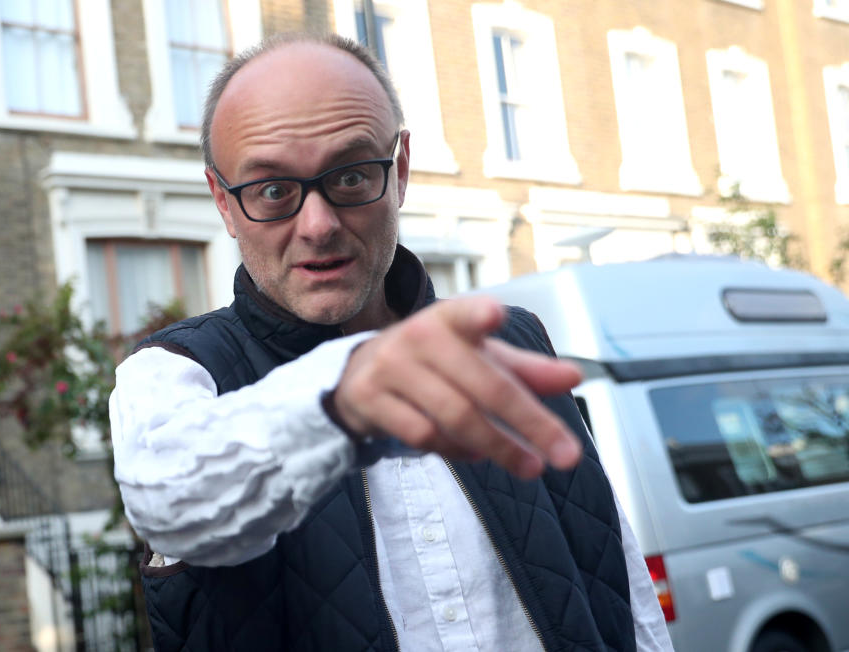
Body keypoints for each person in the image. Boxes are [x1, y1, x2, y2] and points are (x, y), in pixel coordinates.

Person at [110, 32, 673, 652]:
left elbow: (617, 579)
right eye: (272, 191)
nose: (319, 225)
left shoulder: (515, 341)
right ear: (224, 201)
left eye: (350, 176)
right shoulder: (178, 374)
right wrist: (341, 398)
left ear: (399, 169)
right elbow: (170, 505)